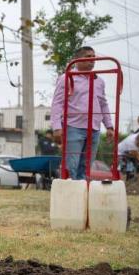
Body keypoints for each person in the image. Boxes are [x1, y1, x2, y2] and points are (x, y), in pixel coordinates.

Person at [50, 46, 115, 180]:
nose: (92, 60)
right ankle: (69, 196)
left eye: (93, 57)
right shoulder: (66, 77)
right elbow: (57, 103)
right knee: (71, 166)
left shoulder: (99, 81)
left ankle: (81, 196)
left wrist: (109, 126)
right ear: (77, 60)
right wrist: (57, 127)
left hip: (94, 128)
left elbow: (103, 104)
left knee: (86, 167)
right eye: (88, 57)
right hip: (73, 127)